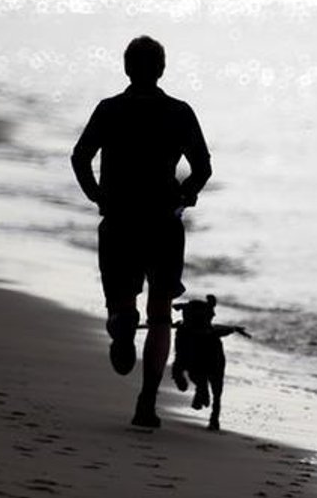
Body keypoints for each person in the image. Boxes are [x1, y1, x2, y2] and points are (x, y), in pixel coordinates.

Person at [71, 35, 212, 427]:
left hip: (118, 219)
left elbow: (80, 156)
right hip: (163, 223)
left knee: (121, 299)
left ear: (127, 68)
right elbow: (203, 167)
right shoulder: (180, 112)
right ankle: (147, 401)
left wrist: (96, 194)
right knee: (161, 313)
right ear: (162, 69)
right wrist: (187, 193)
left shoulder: (109, 109)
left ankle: (120, 325)